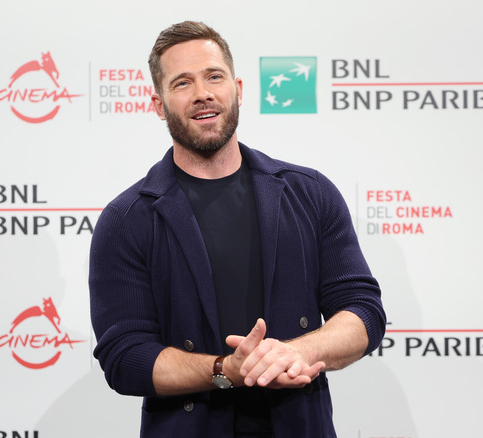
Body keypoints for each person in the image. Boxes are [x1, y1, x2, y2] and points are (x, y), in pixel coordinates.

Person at [89, 20, 386, 437]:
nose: (203, 93)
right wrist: (224, 370)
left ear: (239, 88)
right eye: (182, 83)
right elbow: (125, 357)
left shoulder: (310, 194)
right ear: (159, 105)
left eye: (214, 76)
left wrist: (294, 352)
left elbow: (363, 313)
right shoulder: (127, 220)